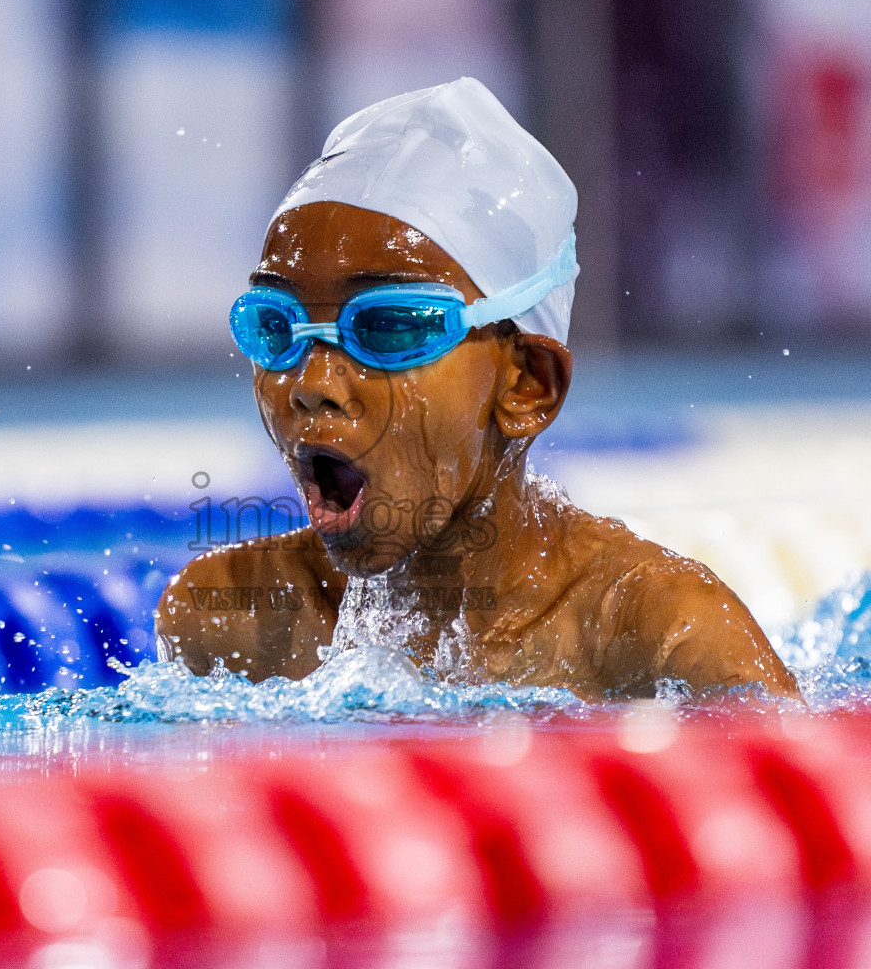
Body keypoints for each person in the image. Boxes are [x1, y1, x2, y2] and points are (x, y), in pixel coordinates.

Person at [156, 78, 800, 703]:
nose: (310, 385)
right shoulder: (230, 625)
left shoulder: (659, 641)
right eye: (276, 327)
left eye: (388, 328)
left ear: (526, 385)